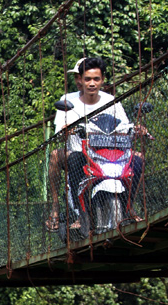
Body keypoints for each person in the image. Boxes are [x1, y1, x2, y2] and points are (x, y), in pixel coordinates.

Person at [47, 57, 145, 230]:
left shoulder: (112, 101)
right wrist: (66, 130)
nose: (92, 83)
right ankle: (70, 210)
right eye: (87, 79)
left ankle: (129, 205)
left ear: (103, 81)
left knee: (138, 158)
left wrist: (136, 131)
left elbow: (124, 127)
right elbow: (59, 134)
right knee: (58, 155)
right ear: (80, 80)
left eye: (96, 79)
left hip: (108, 152)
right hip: (80, 152)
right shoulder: (68, 101)